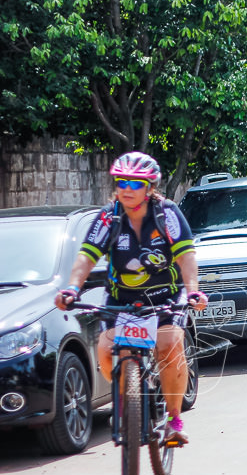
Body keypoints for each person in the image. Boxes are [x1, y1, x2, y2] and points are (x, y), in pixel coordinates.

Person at [55, 151, 208, 445]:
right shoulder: (108, 217)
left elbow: (186, 256)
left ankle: (174, 420)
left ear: (150, 188)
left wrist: (193, 290)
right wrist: (72, 288)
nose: (127, 188)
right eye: (121, 181)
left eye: (135, 184)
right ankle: (131, 398)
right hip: (121, 299)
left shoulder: (168, 214)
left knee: (169, 345)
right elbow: (86, 257)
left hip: (164, 296)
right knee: (105, 349)